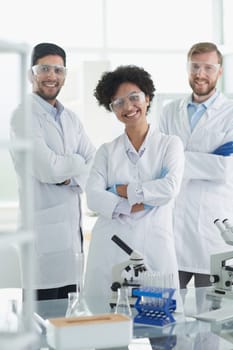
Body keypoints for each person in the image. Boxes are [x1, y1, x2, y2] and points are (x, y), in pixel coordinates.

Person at [84, 65, 184, 304]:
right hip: (111, 248)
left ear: (147, 98)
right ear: (112, 109)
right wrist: (139, 203)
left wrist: (122, 191)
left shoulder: (170, 145)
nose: (127, 107)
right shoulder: (106, 151)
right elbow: (93, 197)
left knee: (163, 330)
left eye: (134, 98)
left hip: (154, 247)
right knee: (110, 331)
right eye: (117, 102)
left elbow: (169, 188)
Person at [10, 43, 95, 300]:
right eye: (44, 68)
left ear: (64, 75)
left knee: (67, 326)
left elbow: (93, 164)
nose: (52, 76)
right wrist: (73, 168)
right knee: (39, 326)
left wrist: (69, 172)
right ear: (31, 74)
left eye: (58, 70)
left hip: (72, 243)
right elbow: (48, 169)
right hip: (42, 242)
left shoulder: (71, 118)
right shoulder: (22, 116)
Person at [159, 42, 233, 290]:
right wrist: (208, 159)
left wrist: (177, 159)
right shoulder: (169, 112)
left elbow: (226, 168)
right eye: (195, 67)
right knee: (166, 315)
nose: (200, 74)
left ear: (220, 72)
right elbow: (159, 162)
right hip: (173, 231)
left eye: (208, 68)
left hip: (213, 234)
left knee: (211, 320)